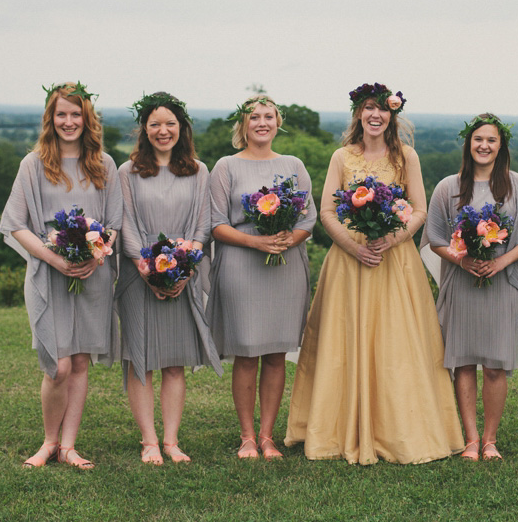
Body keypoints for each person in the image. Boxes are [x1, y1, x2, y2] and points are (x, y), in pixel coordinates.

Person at [285, 83, 463, 464]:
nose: (375, 115)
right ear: (358, 114)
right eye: (369, 108)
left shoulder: (407, 158)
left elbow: (419, 210)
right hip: (348, 263)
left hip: (394, 261)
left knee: (398, 344)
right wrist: (353, 247)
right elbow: (327, 212)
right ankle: (334, 428)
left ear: (392, 116)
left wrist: (393, 239)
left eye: (383, 109)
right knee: (342, 341)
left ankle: (399, 428)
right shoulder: (341, 157)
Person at [0, 81, 122, 469]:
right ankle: (48, 442)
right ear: (51, 119)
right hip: (47, 273)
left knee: (81, 361)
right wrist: (54, 259)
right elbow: (15, 224)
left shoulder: (104, 164)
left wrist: (96, 254)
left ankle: (69, 446)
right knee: (59, 364)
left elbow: (115, 224)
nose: (69, 122)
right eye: (62, 114)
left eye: (76, 114)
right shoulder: (33, 164)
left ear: (88, 120)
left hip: (92, 274)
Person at [421, 113, 518, 461]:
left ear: (501, 146)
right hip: (462, 281)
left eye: (491, 140)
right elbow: (436, 239)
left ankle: (490, 440)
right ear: (468, 144)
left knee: (495, 364)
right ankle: (470, 439)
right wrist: (464, 260)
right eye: (478, 140)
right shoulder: (448, 187)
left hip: (503, 283)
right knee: (465, 362)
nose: (484, 146)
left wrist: (499, 263)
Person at [115, 92, 223, 465]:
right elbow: (124, 222)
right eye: (155, 124)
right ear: (144, 129)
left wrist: (183, 269)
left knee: (174, 362)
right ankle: (148, 441)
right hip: (137, 277)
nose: (163, 131)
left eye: (170, 124)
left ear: (182, 128)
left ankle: (172, 441)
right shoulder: (126, 172)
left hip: (182, 278)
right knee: (140, 360)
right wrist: (146, 269)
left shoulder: (198, 170)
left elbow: (202, 224)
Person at [209, 95, 316, 459]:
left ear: (278, 122)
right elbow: (216, 223)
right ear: (243, 124)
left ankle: (268, 436)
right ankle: (247, 437)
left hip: (285, 268)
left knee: (275, 353)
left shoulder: (293, 165)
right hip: (241, 265)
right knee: (247, 353)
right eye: (254, 117)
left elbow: (308, 219)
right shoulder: (226, 166)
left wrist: (286, 240)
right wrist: (256, 242)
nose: (262, 122)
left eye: (268, 116)